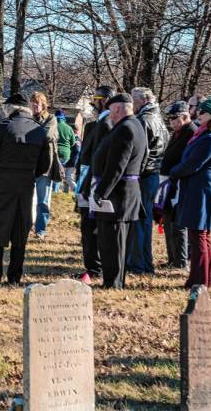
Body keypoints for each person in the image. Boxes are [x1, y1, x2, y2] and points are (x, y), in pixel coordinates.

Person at [0, 93, 51, 285]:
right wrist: (29, 175)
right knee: (20, 231)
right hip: (25, 184)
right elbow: (45, 164)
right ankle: (14, 277)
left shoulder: (1, 128)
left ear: (10, 109)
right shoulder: (39, 131)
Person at [91, 93, 147, 289]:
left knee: (112, 242)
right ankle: (116, 280)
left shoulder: (125, 129)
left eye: (111, 111)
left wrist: (101, 193)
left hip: (118, 195)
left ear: (117, 109)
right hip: (127, 192)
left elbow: (116, 166)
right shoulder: (137, 125)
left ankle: (112, 283)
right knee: (119, 242)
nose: (110, 116)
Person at [170, 97, 211, 288]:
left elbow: (193, 164)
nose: (198, 114)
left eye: (202, 112)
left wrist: (174, 172)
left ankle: (200, 281)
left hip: (202, 190)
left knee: (199, 236)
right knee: (200, 236)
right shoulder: (205, 134)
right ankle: (200, 278)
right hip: (198, 188)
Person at [74, 85, 115, 284]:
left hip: (94, 181)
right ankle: (90, 265)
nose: (93, 103)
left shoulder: (108, 123)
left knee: (92, 227)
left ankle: (95, 267)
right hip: (85, 178)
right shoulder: (94, 124)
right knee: (86, 227)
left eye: (97, 99)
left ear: (105, 100)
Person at [125, 87, 169, 275]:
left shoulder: (144, 120)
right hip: (153, 174)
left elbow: (141, 152)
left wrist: (134, 175)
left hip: (144, 176)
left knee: (139, 221)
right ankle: (144, 263)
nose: (131, 104)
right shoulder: (159, 119)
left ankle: (138, 264)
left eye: (133, 100)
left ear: (143, 100)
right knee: (145, 220)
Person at [159, 101, 197, 270]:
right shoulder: (178, 133)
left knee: (177, 223)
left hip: (180, 183)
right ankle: (172, 258)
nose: (171, 122)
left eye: (174, 118)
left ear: (184, 116)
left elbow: (188, 161)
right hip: (169, 182)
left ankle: (180, 261)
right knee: (167, 221)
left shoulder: (191, 132)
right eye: (169, 118)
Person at [30, 91, 62, 238]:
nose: (35, 106)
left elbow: (47, 135)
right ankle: (25, 226)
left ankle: (40, 230)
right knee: (27, 199)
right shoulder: (27, 119)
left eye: (37, 103)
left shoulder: (51, 119)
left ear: (43, 104)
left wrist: (29, 135)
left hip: (44, 166)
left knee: (43, 201)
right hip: (29, 165)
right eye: (33, 103)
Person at [55, 109, 77, 192]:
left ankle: (55, 191)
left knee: (54, 171)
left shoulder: (52, 125)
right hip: (65, 154)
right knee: (61, 171)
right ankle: (57, 192)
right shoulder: (69, 128)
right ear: (63, 117)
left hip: (54, 152)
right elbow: (73, 143)